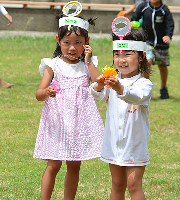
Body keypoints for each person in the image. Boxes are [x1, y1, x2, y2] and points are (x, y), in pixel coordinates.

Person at [33, 8, 104, 200]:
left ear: (86, 43)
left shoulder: (87, 65)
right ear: (58, 41)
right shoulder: (53, 65)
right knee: (53, 164)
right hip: (57, 124)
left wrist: (89, 62)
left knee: (74, 165)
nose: (72, 48)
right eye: (67, 43)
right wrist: (46, 91)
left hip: (78, 125)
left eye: (78, 43)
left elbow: (100, 83)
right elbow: (39, 94)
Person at [90, 28, 152, 200]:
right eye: (117, 54)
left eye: (127, 55)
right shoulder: (112, 80)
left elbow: (136, 97)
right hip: (113, 143)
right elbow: (97, 94)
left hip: (134, 144)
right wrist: (99, 84)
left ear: (141, 57)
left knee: (133, 185)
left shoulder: (143, 84)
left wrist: (118, 87)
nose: (121, 60)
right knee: (117, 185)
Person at [131, 0, 174, 99]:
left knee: (162, 66)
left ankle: (163, 88)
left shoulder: (164, 10)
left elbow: (170, 24)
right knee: (147, 61)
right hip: (147, 41)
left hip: (161, 44)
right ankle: (145, 89)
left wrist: (168, 36)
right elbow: (134, 18)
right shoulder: (143, 7)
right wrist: (134, 26)